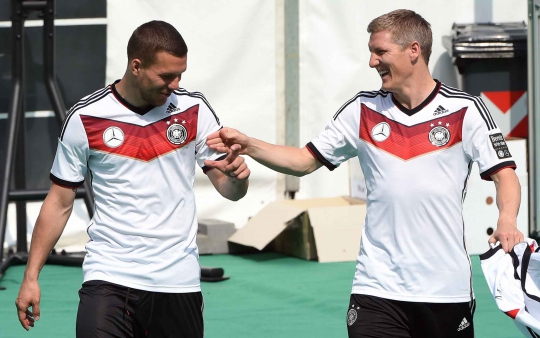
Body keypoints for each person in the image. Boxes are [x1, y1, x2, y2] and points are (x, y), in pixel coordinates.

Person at [204, 9, 523, 338]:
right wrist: (249, 144)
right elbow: (303, 160)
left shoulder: (466, 109)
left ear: (414, 50)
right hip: (377, 288)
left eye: (380, 52)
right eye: (371, 52)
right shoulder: (362, 109)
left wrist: (507, 220)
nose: (372, 62)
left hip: (445, 289)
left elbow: (505, 174)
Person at [15, 20, 250, 338]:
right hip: (109, 275)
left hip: (177, 279)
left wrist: (237, 178)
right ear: (136, 66)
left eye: (181, 74)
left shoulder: (194, 109)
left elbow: (229, 189)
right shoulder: (86, 117)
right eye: (167, 76)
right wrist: (31, 276)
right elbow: (59, 202)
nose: (176, 84)